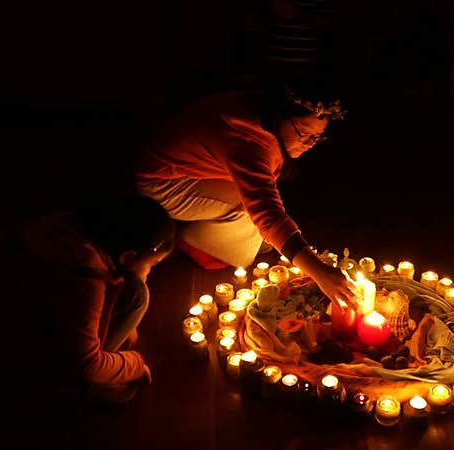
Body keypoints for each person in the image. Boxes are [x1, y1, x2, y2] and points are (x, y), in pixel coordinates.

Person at [136, 79, 358, 309]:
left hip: (197, 171)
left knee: (264, 242)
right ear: (280, 114)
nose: (310, 143)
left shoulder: (262, 112)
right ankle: (188, 238)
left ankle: (207, 228)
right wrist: (319, 272)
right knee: (244, 250)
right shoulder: (247, 141)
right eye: (304, 133)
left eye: (317, 137)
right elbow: (267, 213)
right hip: (163, 183)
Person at [0, 196, 175, 405]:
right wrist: (136, 365)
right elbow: (87, 365)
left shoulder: (74, 226)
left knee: (133, 293)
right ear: (127, 256)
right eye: (152, 265)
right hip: (11, 343)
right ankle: (58, 392)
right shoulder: (84, 271)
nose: (149, 271)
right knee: (123, 387)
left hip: (11, 299)